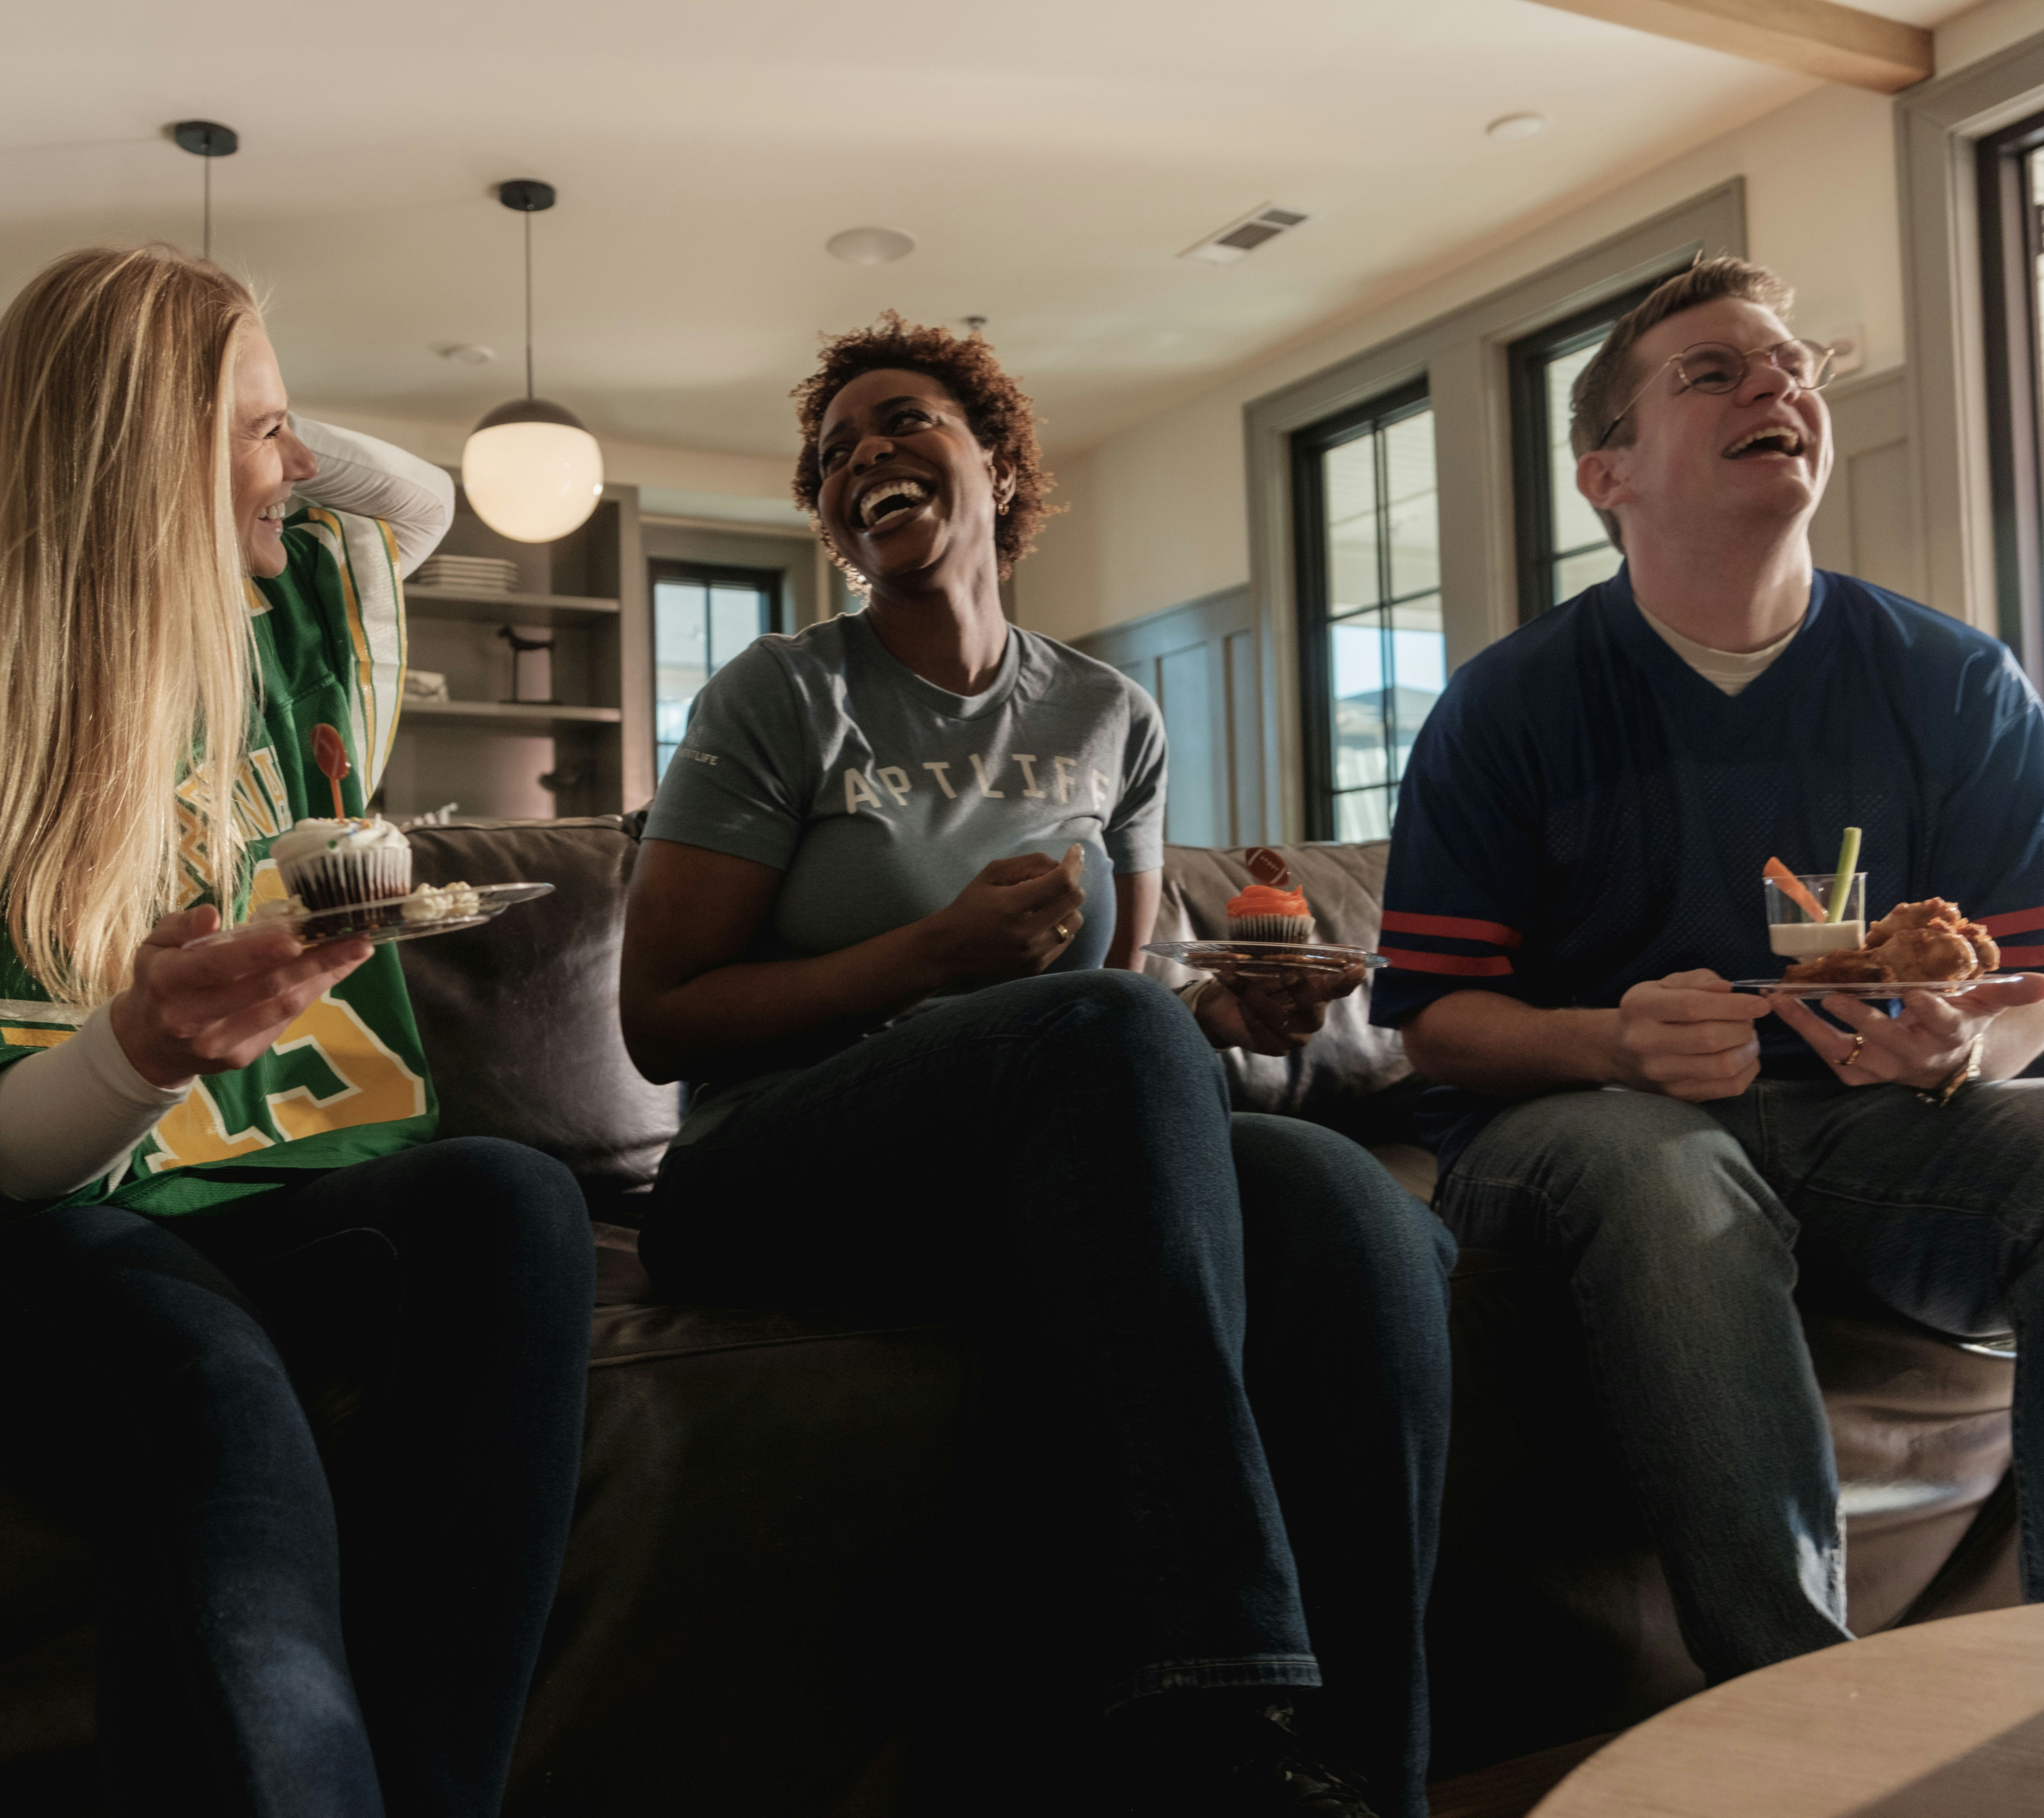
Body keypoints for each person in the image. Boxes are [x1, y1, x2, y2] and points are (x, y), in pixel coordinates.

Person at [0, 245, 592, 1818]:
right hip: (9, 1219)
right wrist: (138, 1050)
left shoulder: (279, 631)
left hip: (251, 1198)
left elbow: (412, 500)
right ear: (145, 463)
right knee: (209, 1378)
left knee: (512, 1201)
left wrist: (227, 376)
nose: (298, 468)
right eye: (260, 433)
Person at [619, 313, 1454, 1818]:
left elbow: (1132, 1005)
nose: (864, 454)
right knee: (1117, 1049)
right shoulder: (778, 696)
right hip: (773, 1160)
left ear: (998, 466)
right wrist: (929, 958)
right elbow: (661, 1019)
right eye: (835, 450)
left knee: (1360, 1217)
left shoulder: (1108, 715)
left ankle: (1373, 1777)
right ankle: (1222, 1719)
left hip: (1041, 1143)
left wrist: (1237, 1014)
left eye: (904, 423)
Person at [1376, 256, 2044, 1685]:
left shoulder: (1955, 681)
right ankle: (1790, 1708)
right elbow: (1434, 1028)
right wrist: (1612, 1042)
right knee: (1670, 1177)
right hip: (1577, 1138)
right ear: (1610, 473)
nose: (1776, 385)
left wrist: (1966, 1049)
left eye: (1790, 367)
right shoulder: (1508, 705)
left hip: (1872, 1135)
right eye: (1713, 372)